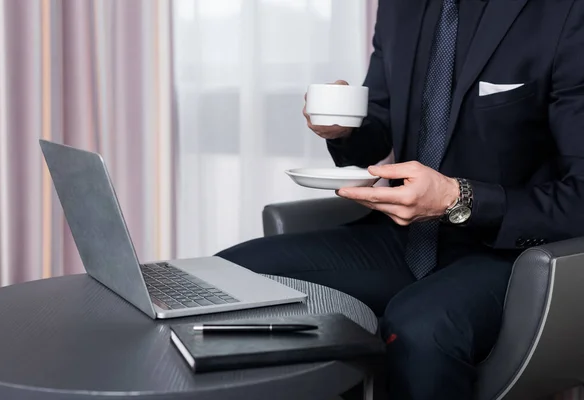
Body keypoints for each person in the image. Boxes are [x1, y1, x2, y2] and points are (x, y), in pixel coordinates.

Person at [217, 0, 584, 398]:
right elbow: (379, 124)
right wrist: (344, 130)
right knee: (228, 278)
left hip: (514, 253)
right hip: (406, 239)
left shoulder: (565, 11)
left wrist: (458, 198)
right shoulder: (397, 6)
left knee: (418, 327)